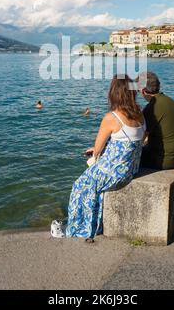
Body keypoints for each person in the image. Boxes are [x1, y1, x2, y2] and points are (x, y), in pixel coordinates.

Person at [65, 75, 146, 240]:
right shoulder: (140, 114)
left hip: (115, 174)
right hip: (131, 170)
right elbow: (136, 140)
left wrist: (95, 152)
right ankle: (94, 225)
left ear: (114, 93)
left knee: (80, 186)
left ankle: (79, 231)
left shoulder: (112, 117)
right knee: (95, 188)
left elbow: (98, 149)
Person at [138, 71, 174, 171]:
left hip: (164, 160)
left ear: (143, 91)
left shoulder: (151, 108)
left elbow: (140, 139)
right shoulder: (169, 101)